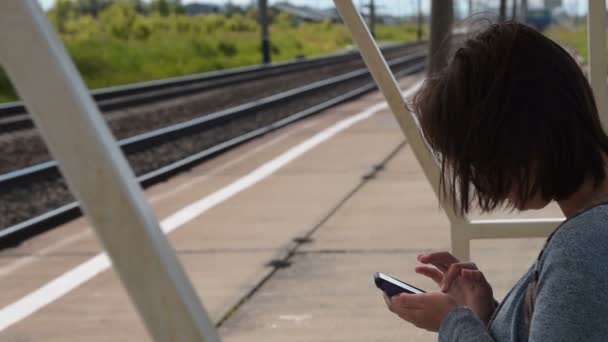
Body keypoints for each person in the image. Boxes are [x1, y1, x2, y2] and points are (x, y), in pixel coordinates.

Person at [382, 22, 608, 341]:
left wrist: (455, 323)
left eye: (479, 159)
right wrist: (487, 315)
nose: (480, 181)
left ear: (523, 135)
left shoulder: (584, 249)